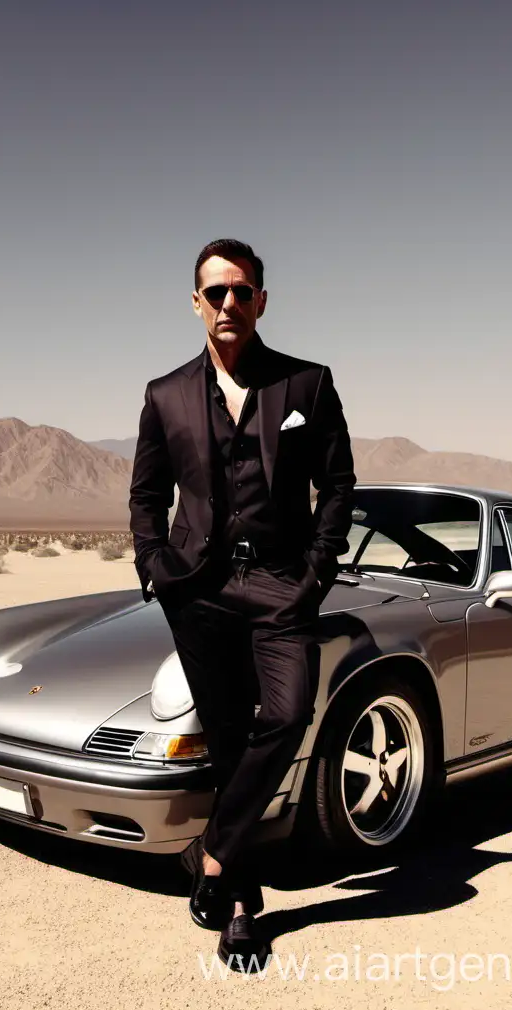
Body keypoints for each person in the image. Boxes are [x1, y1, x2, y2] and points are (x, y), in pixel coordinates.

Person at [128, 238, 355, 969]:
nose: (228, 303)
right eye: (214, 292)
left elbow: (339, 485)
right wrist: (156, 566)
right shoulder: (164, 395)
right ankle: (242, 911)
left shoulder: (307, 385)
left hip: (283, 584)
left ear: (261, 300)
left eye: (241, 291)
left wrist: (315, 573)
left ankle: (216, 853)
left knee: (288, 715)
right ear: (195, 303)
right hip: (197, 590)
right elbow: (146, 494)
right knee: (229, 745)